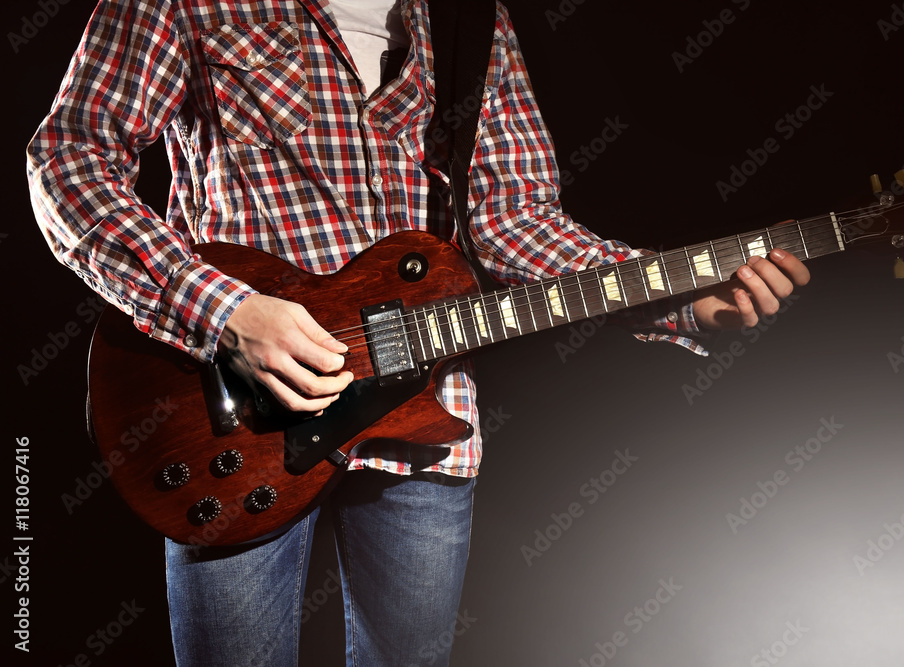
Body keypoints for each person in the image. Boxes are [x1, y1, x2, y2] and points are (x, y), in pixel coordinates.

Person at [27, 0, 809, 664]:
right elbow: (70, 155)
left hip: (427, 421)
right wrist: (225, 312)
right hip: (233, 418)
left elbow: (512, 219)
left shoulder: (470, 16)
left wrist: (676, 293)